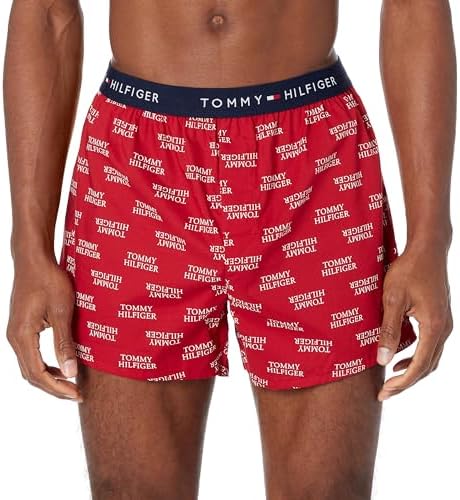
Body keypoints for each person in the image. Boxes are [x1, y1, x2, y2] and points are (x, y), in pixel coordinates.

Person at [3, 1, 455, 499]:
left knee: (329, 491)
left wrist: (431, 239)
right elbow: (47, 12)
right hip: (136, 164)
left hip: (313, 161)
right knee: (130, 492)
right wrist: (29, 248)